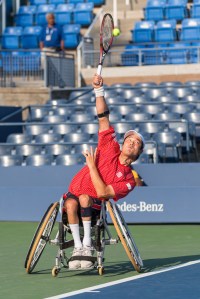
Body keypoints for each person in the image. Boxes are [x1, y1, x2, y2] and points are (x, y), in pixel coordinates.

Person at [63, 73, 145, 270]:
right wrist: (98, 90)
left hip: (94, 204)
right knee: (71, 203)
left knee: (83, 200)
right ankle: (78, 247)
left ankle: (88, 246)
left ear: (138, 153)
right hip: (75, 190)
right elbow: (103, 118)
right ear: (123, 143)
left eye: (136, 143)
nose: (131, 143)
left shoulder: (129, 180)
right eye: (129, 139)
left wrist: (92, 166)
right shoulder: (109, 146)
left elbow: (102, 193)